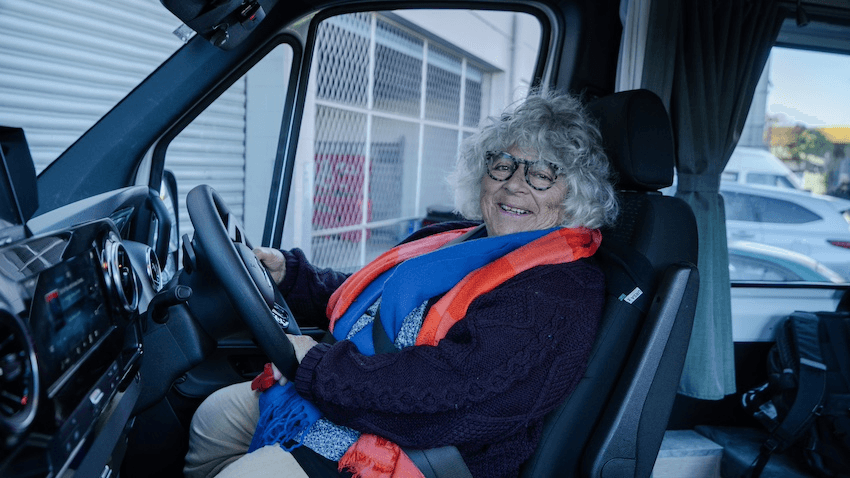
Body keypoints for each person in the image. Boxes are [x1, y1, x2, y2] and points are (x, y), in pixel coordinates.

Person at [184, 90, 619, 478]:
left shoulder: (560, 293)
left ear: (574, 192)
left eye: (542, 174)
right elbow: (373, 305)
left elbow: (457, 392)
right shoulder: (460, 238)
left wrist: (316, 365)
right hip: (358, 397)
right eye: (502, 165)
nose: (514, 186)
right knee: (214, 418)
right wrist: (289, 275)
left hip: (420, 447)